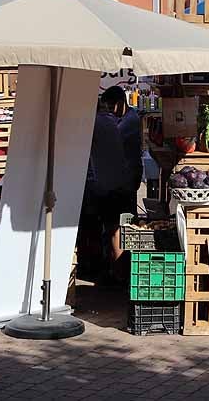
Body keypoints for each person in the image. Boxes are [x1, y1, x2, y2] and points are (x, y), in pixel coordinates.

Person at [85, 92, 131, 281]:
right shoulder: (110, 121)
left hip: (104, 184)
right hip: (119, 180)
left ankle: (115, 274)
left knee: (103, 227)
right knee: (115, 227)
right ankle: (116, 272)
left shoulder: (91, 124)